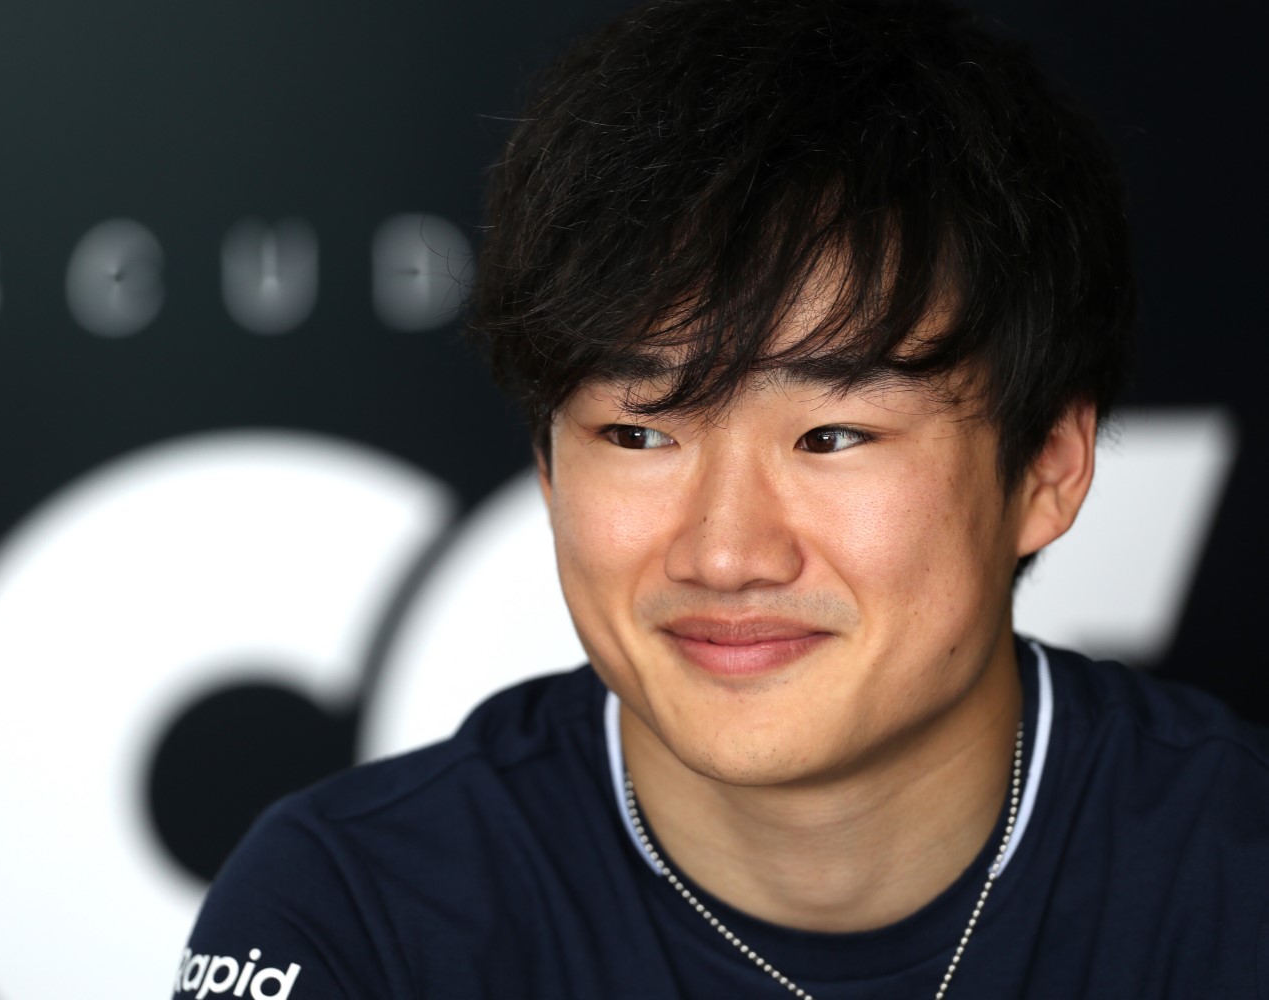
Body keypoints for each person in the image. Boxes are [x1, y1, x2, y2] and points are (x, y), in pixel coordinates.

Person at [174, 1, 1269, 997]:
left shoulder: (1234, 875)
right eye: (639, 432)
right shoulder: (356, 917)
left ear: (1048, 468)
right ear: (549, 471)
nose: (727, 552)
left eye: (831, 435)